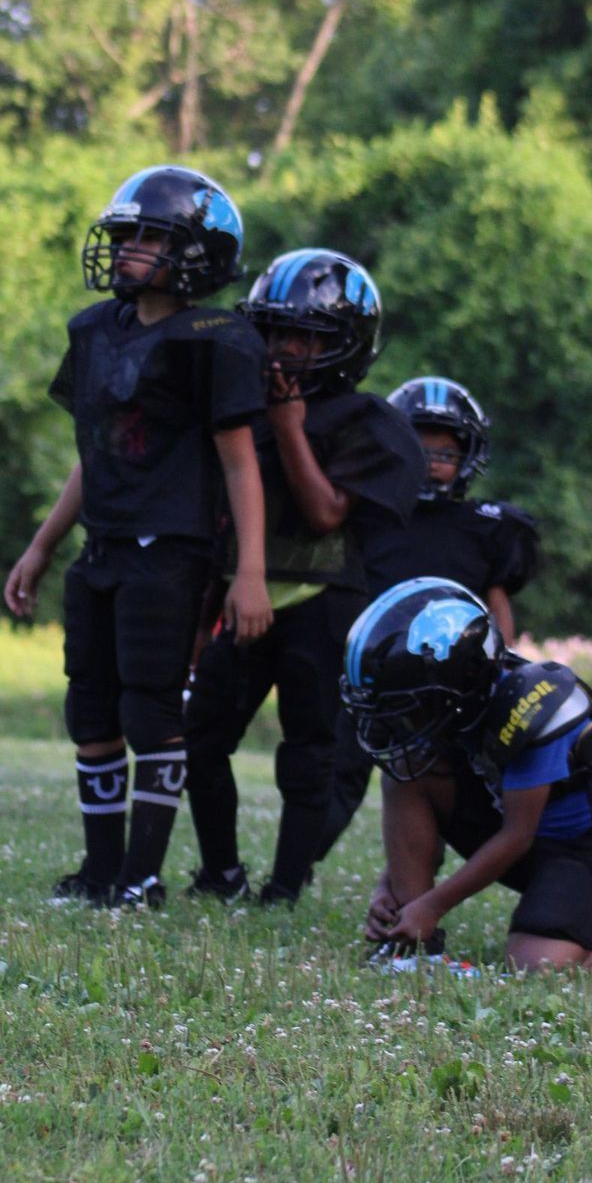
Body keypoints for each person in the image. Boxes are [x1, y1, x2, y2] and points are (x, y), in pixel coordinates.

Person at [4, 166, 272, 909]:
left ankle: (142, 877)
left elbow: (241, 463)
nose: (126, 249)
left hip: (172, 547)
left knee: (149, 709)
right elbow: (97, 454)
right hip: (104, 547)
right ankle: (100, 872)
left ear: (196, 251)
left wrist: (250, 571)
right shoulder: (97, 331)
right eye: (124, 234)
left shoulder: (214, 340)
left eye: (149, 236)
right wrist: (42, 545)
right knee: (90, 710)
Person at [183, 248, 425, 908]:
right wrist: (203, 618)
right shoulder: (239, 409)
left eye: (306, 335)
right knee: (201, 739)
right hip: (241, 595)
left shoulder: (366, 420)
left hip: (321, 600)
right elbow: (223, 522)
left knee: (308, 753)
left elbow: (323, 514)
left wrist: (290, 427)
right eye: (275, 331)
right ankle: (219, 872)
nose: (286, 348)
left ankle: (286, 885)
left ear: (344, 345)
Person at [342, 577, 592, 973]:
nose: (404, 723)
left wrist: (431, 905)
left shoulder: (533, 703)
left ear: (456, 682)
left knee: (536, 968)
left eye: (412, 708)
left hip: (581, 844)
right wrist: (394, 887)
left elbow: (519, 834)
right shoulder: (469, 695)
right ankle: (414, 946)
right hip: (510, 823)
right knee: (406, 774)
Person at [321, 375, 538, 856]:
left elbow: (496, 600)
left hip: (450, 683)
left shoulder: (486, 526)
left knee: (445, 776)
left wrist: (498, 662)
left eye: (444, 454)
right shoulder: (371, 515)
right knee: (342, 769)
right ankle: (298, 865)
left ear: (467, 457)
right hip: (375, 671)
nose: (432, 465)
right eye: (420, 452)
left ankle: (426, 869)